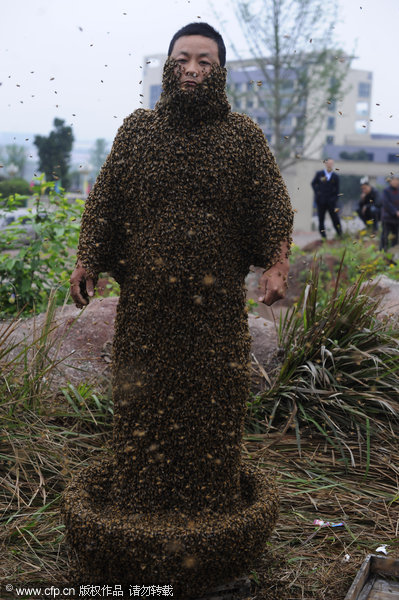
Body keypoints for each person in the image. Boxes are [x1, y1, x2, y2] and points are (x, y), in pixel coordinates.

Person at [67, 22, 293, 586]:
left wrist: (277, 260)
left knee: (212, 410)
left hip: (216, 315)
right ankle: (137, 511)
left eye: (205, 62)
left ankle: (211, 515)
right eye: (182, 59)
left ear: (220, 73)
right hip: (145, 311)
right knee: (142, 408)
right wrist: (87, 259)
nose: (192, 69)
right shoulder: (138, 132)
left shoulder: (242, 137)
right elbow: (106, 201)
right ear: (168, 67)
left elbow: (272, 206)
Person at [311, 157, 342, 239]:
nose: (330, 165)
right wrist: (318, 193)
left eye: (331, 163)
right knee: (321, 219)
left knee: (335, 218)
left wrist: (334, 199)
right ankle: (323, 236)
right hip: (321, 201)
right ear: (325, 164)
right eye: (328, 163)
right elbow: (313, 184)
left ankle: (340, 234)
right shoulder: (319, 174)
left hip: (331, 201)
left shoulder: (335, 176)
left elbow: (337, 190)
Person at [380, 174, 399, 251]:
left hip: (397, 219)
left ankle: (393, 253)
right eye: (394, 180)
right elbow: (386, 203)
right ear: (390, 181)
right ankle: (382, 252)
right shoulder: (386, 191)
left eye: (397, 180)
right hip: (387, 217)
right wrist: (395, 212)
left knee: (395, 237)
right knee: (385, 236)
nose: (396, 182)